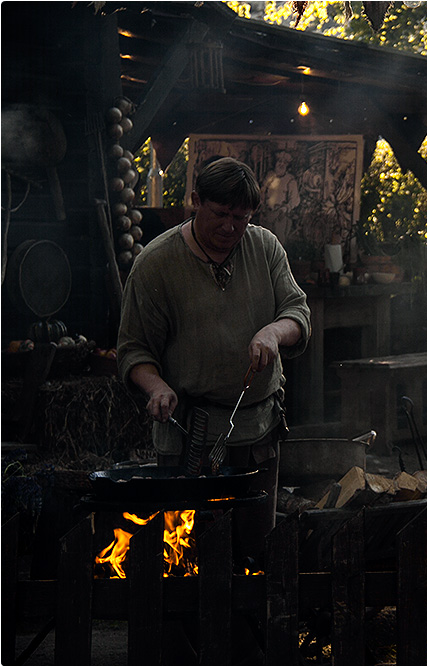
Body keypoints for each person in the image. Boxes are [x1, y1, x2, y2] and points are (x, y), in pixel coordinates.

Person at [117, 157, 311, 564]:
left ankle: (250, 627)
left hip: (257, 431)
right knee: (189, 559)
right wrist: (157, 387)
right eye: (221, 214)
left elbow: (297, 313)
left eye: (241, 218)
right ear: (195, 200)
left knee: (255, 555)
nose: (230, 227)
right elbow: (134, 351)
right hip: (189, 434)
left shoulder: (264, 246)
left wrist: (273, 331)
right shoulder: (156, 264)